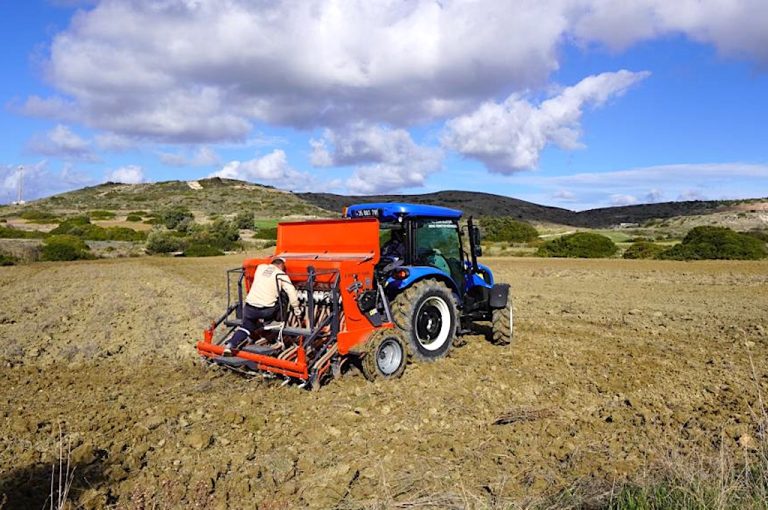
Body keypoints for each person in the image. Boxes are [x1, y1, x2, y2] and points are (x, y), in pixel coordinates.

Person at [223, 257, 301, 355]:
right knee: (283, 296)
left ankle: (230, 345)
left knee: (246, 327)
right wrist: (296, 308)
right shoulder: (281, 274)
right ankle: (277, 321)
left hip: (249, 308)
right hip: (266, 311)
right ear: (281, 267)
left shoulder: (260, 268)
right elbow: (291, 291)